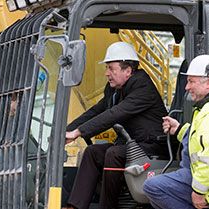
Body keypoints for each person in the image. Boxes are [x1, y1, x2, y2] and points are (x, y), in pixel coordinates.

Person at [63, 41, 168, 209]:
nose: (106, 73)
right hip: (133, 145)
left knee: (114, 153)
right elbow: (97, 110)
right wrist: (67, 130)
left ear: (128, 71)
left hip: (153, 145)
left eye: (111, 68)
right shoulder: (114, 89)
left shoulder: (142, 86)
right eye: (107, 68)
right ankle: (74, 206)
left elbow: (115, 114)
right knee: (93, 152)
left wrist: (78, 132)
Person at [143, 55, 209, 209]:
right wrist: (178, 129)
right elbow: (201, 137)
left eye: (191, 81)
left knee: (153, 187)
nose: (186, 87)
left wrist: (199, 191)